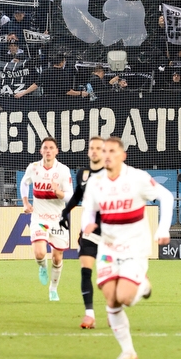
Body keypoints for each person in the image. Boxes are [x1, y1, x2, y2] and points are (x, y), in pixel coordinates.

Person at [80, 136, 174, 359]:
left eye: (113, 151)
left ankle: (143, 284)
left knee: (125, 298)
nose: (108, 155)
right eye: (105, 151)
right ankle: (128, 351)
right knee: (111, 298)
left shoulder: (137, 178)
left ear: (123, 156)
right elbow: (88, 211)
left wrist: (163, 229)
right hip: (109, 247)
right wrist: (87, 225)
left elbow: (167, 197)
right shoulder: (96, 182)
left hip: (135, 247)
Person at [59, 136, 105, 329]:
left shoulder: (114, 174)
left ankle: (114, 310)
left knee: (109, 278)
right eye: (91, 148)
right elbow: (77, 194)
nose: (94, 151)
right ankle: (89, 315)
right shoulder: (83, 174)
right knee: (86, 271)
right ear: (88, 151)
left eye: (98, 148)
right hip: (89, 232)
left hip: (111, 233)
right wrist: (64, 212)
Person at [20, 137, 73, 301]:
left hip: (58, 220)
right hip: (39, 218)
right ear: (41, 151)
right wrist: (26, 202)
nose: (48, 150)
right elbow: (24, 183)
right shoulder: (34, 168)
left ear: (56, 151)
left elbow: (70, 198)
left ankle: (53, 289)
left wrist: (60, 194)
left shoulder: (63, 171)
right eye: (45, 148)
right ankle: (42, 267)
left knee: (57, 258)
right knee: (40, 252)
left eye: (51, 148)